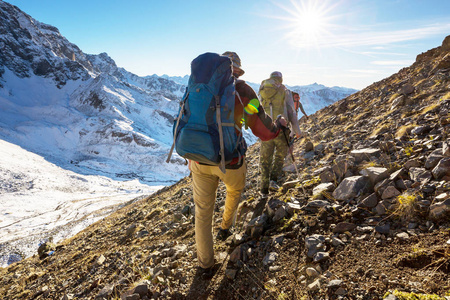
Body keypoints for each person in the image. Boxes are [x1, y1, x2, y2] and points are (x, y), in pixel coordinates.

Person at [190, 52, 286, 277]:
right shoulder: (243, 91)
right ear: (238, 70)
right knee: (234, 192)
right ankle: (225, 228)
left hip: (199, 160)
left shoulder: (198, 86)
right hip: (230, 159)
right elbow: (261, 128)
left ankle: (205, 265)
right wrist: (278, 127)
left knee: (202, 212)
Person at [258, 71, 303, 195]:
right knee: (279, 155)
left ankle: (264, 189)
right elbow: (291, 111)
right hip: (281, 129)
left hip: (266, 129)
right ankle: (273, 180)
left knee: (265, 158)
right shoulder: (285, 91)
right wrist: (297, 131)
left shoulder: (263, 89)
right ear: (281, 79)